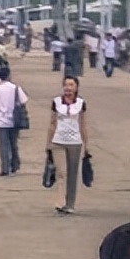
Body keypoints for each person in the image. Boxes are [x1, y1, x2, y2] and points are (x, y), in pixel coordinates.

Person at [45, 75, 89, 216]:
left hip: (75, 142)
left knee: (72, 174)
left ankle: (70, 204)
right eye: (66, 85)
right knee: (61, 172)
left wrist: (86, 145)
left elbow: (83, 124)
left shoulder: (80, 103)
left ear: (76, 88)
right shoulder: (56, 102)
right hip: (58, 141)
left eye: (71, 85)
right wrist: (48, 144)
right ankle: (60, 202)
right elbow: (52, 123)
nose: (68, 88)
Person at [0, 64, 29, 178]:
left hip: (1, 121)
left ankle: (5, 168)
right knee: (13, 143)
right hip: (14, 120)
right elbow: (23, 101)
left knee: (4, 145)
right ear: (9, 75)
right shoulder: (16, 88)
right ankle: (14, 165)